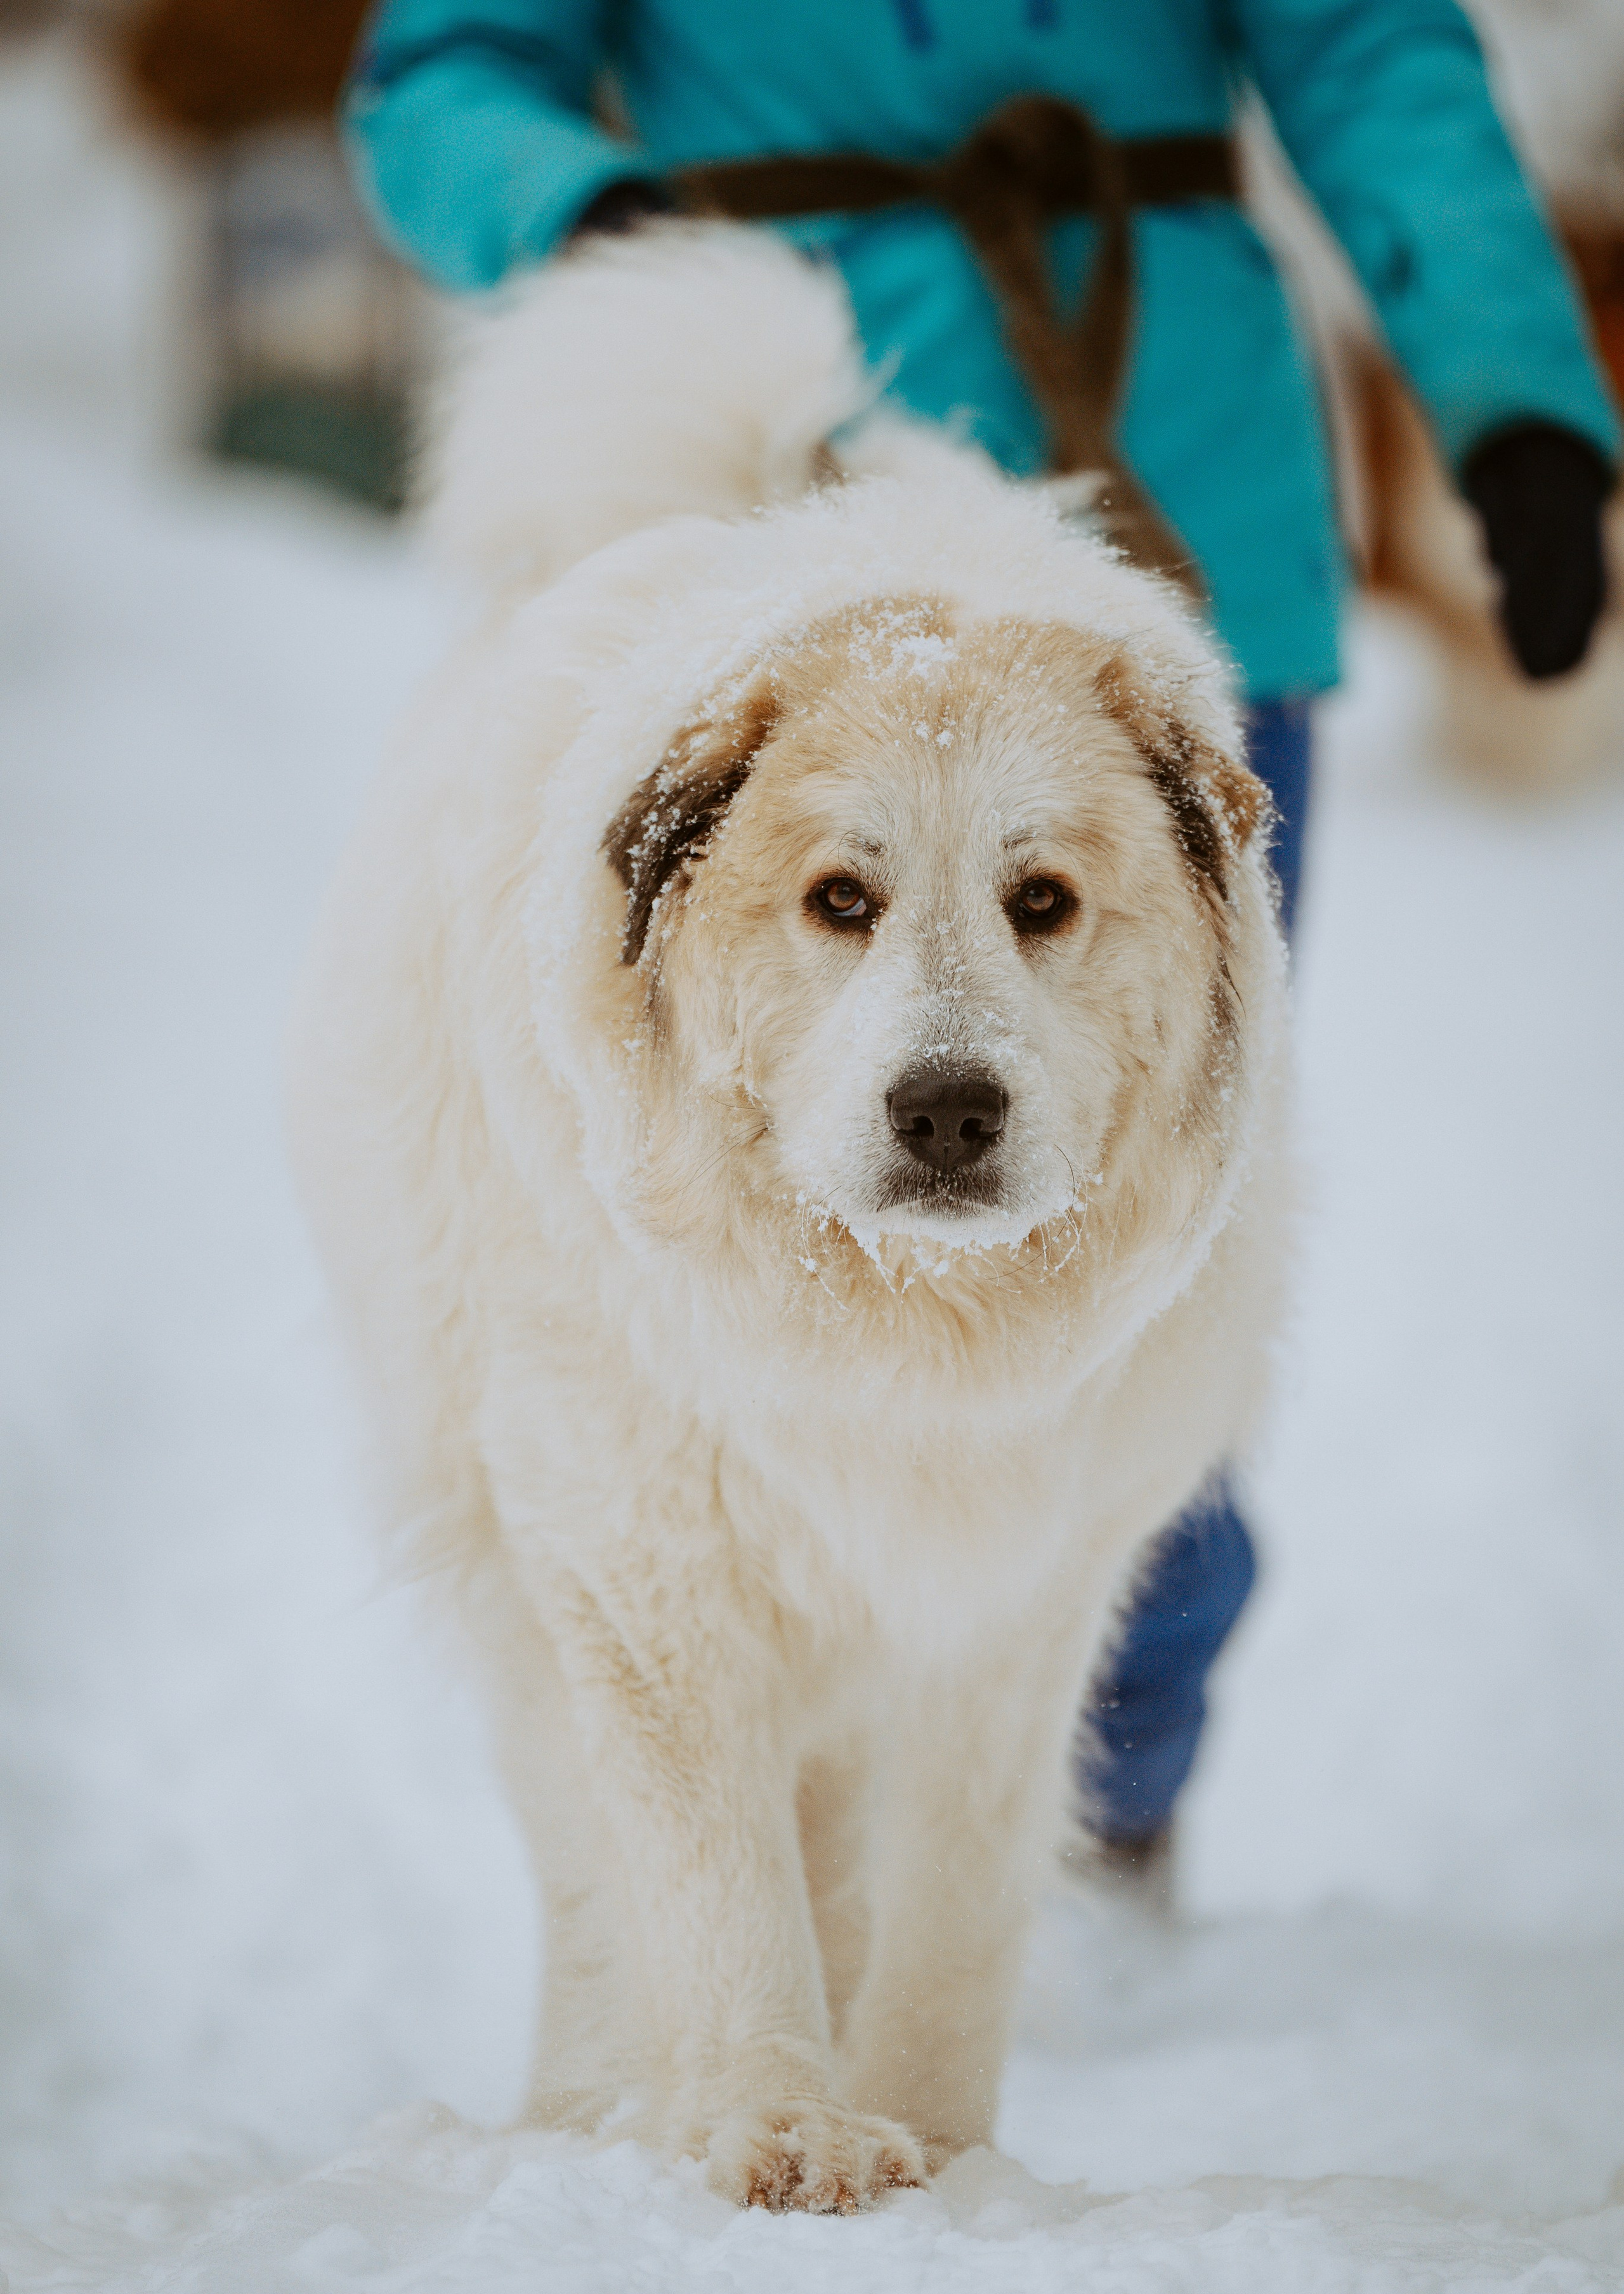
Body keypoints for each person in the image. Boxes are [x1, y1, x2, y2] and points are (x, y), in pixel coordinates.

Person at [339, 0, 1618, 1885]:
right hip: (776, 529)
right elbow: (445, 67)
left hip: (1173, 544)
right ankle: (787, 1773)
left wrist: (1511, 392)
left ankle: (1103, 1782)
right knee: (740, 1225)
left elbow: (1370, 52)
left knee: (1157, 1224)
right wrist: (598, 225)